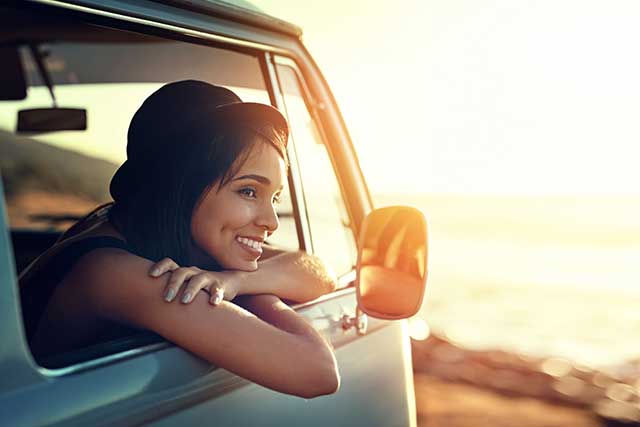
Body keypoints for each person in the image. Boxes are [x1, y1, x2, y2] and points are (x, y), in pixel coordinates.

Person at [18, 80, 340, 398]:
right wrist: (253, 289)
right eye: (248, 191)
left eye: (275, 197)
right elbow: (318, 371)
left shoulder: (161, 236)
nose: (270, 222)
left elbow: (319, 272)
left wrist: (235, 282)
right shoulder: (113, 273)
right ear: (180, 185)